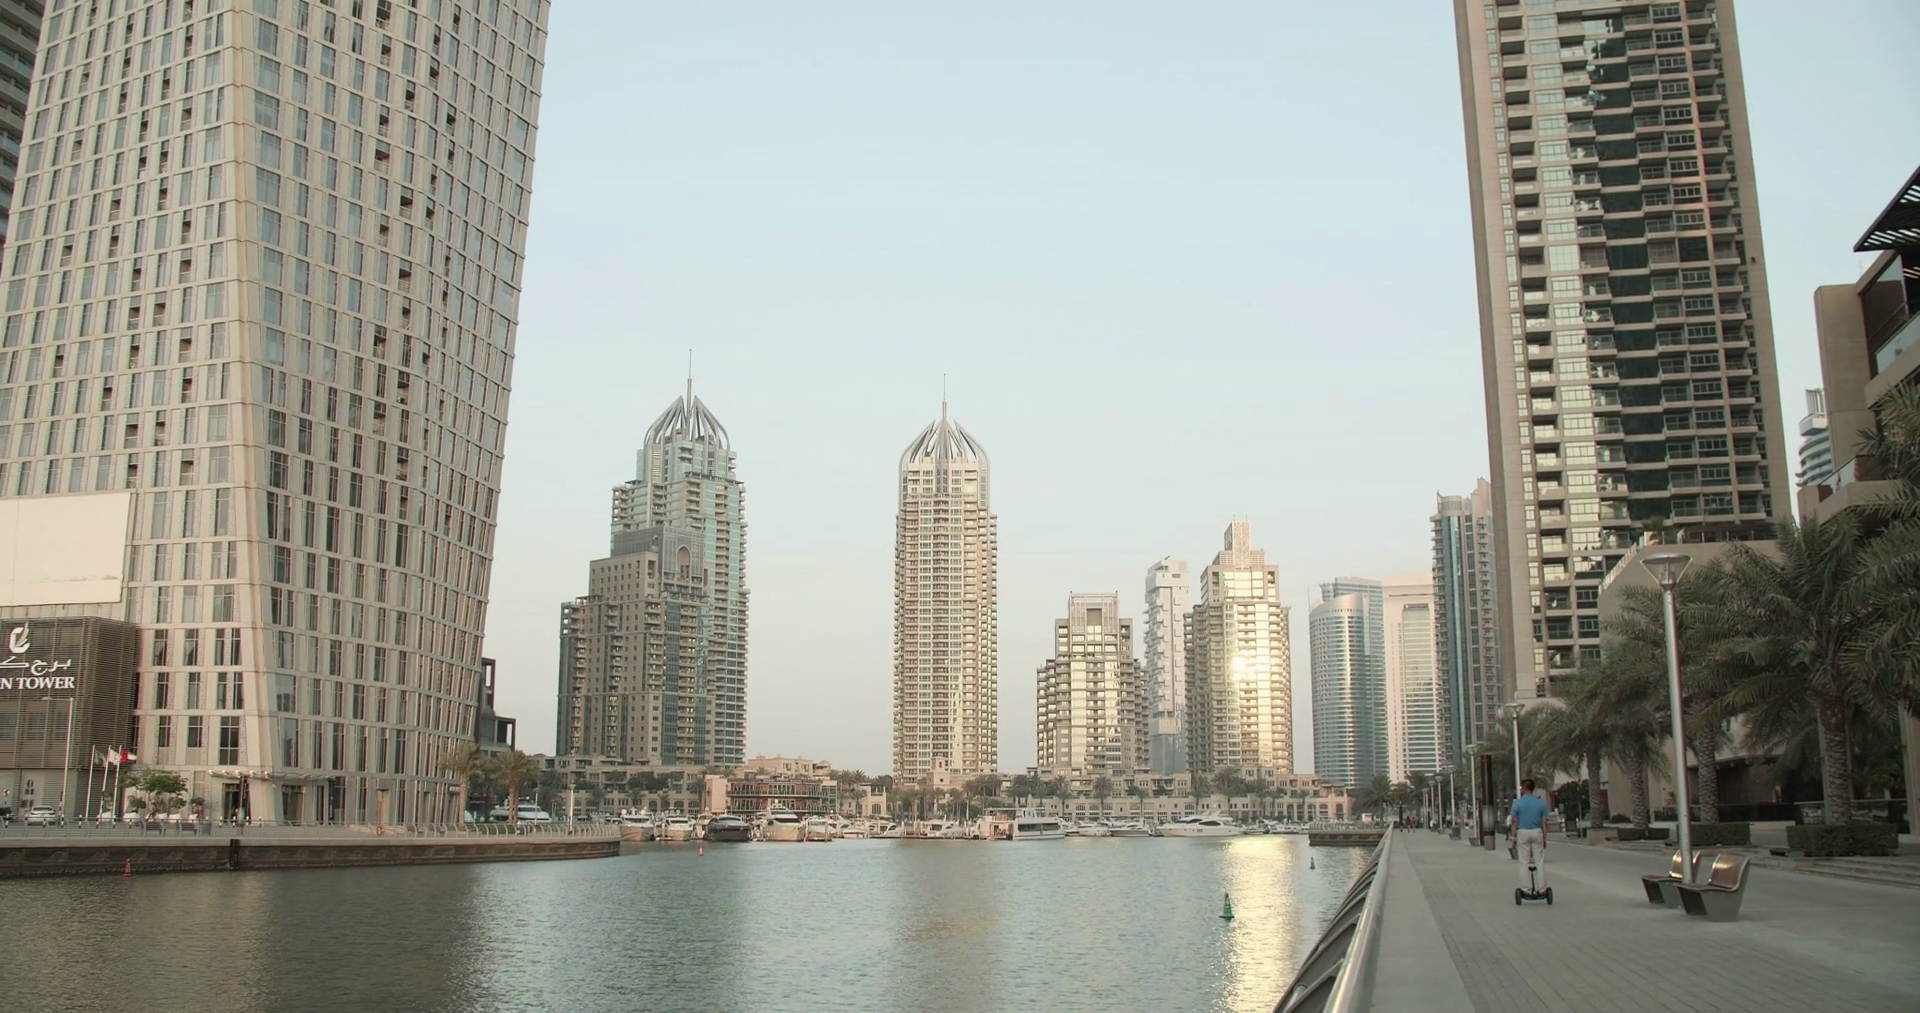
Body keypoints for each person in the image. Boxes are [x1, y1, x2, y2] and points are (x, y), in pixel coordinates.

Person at [1509, 779, 1550, 893]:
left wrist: (1513, 837)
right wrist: (1544, 837)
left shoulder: (1518, 804)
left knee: (1524, 862)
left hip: (1523, 832)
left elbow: (1514, 821)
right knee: (1539, 861)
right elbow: (1544, 822)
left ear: (1523, 788)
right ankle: (1542, 888)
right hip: (1537, 831)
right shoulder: (1540, 803)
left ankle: (1526, 888)